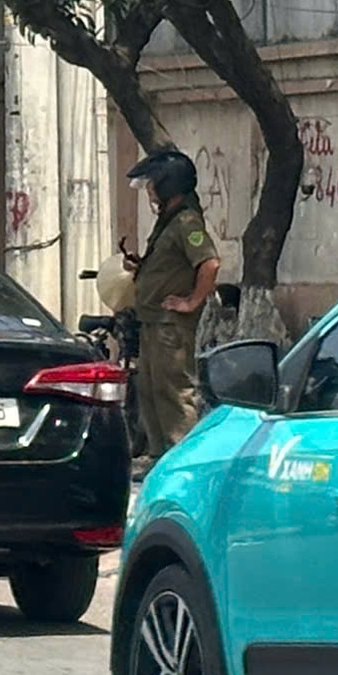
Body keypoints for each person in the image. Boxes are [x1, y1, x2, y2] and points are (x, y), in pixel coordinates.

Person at [123, 148, 220, 458]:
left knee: (174, 393)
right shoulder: (168, 221)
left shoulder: (186, 222)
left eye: (153, 183)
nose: (149, 190)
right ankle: (158, 457)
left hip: (171, 326)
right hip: (152, 320)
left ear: (168, 184)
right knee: (149, 390)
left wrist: (191, 302)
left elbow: (209, 264)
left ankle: (182, 457)